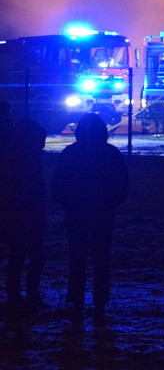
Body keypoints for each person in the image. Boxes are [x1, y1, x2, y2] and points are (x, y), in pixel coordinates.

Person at [51, 112, 129, 319]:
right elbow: (122, 183)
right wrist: (112, 202)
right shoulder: (110, 153)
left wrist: (66, 202)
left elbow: (58, 183)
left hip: (76, 211)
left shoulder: (70, 153)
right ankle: (100, 300)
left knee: (77, 257)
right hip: (103, 212)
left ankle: (76, 299)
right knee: (101, 257)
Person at [4, 118, 48, 314]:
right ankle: (29, 295)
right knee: (33, 257)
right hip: (26, 215)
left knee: (18, 257)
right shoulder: (28, 161)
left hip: (18, 215)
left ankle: (16, 296)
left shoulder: (13, 158)